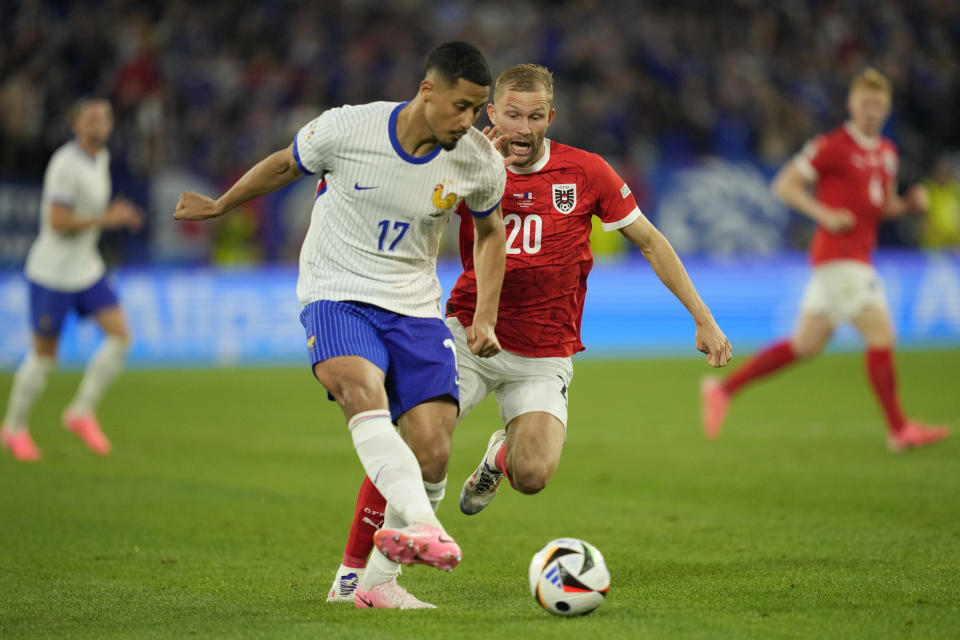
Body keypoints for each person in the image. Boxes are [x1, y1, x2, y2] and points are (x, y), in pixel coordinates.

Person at [326, 63, 732, 607]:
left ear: (550, 117)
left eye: (534, 116)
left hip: (545, 350)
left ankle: (499, 458)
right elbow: (401, 202)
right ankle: (356, 576)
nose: (522, 127)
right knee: (417, 445)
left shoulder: (586, 172)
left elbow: (651, 242)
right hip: (470, 334)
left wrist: (702, 318)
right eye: (511, 114)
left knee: (534, 473)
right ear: (491, 113)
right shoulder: (463, 159)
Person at [171, 42, 508, 609]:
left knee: (433, 449)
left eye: (477, 109)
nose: (468, 121)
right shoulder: (349, 129)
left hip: (415, 306)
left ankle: (372, 586)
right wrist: (221, 206)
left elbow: (493, 232)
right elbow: (283, 163)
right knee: (361, 388)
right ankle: (427, 529)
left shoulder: (478, 160)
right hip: (336, 292)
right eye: (460, 106)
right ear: (427, 91)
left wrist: (486, 314)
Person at [701, 68, 950, 452]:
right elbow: (784, 184)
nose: (871, 110)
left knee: (805, 344)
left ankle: (722, 389)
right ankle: (899, 430)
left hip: (852, 258)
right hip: (840, 258)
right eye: (865, 103)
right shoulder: (831, 145)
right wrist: (824, 215)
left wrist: (906, 206)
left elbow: (877, 207)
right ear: (851, 104)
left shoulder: (887, 154)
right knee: (881, 334)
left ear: (887, 109)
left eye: (878, 104)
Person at [1, 98, 143, 462]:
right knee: (45, 357)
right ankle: (14, 427)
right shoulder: (65, 164)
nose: (99, 123)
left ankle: (80, 413)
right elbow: (57, 221)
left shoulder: (103, 158)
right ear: (76, 124)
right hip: (53, 273)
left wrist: (115, 215)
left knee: (120, 337)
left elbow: (93, 214)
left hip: (86, 268)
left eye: (104, 117)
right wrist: (106, 220)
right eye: (91, 117)